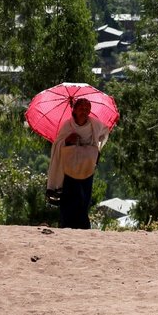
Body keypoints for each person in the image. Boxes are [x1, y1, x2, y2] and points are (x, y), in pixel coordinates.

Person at [46, 98, 110, 229]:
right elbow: (57, 144)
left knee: (84, 198)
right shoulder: (67, 126)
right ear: (74, 110)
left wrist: (95, 144)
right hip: (69, 169)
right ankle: (66, 225)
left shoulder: (95, 125)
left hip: (86, 168)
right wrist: (67, 140)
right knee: (69, 197)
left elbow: (105, 133)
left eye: (87, 109)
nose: (84, 111)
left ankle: (83, 226)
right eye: (81, 108)